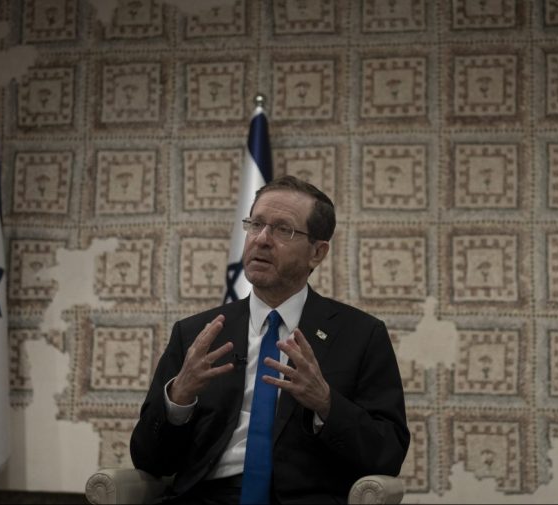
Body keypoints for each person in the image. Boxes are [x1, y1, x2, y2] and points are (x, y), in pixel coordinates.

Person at [130, 175, 410, 504]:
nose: (262, 239)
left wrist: (326, 403)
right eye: (256, 224)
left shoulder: (361, 335)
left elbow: (387, 453)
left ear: (317, 253)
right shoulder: (196, 334)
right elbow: (148, 460)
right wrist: (178, 400)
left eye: (282, 229)